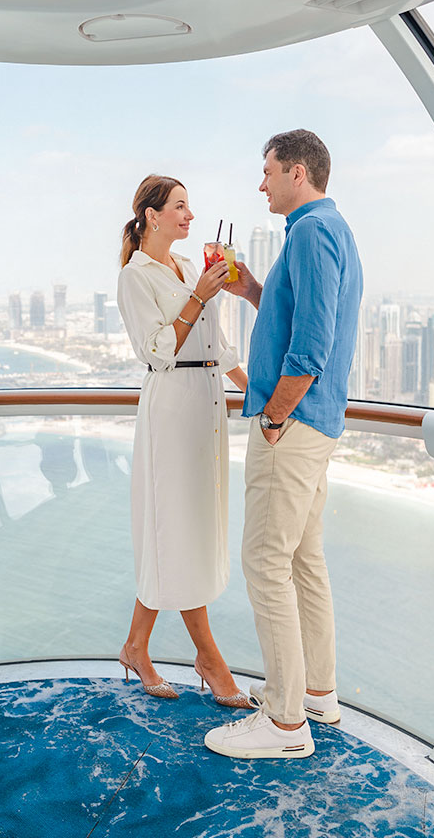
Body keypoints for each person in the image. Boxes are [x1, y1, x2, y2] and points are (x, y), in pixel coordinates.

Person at [204, 129, 362, 759]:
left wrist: (273, 416)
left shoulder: (311, 231)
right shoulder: (325, 230)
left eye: (267, 171)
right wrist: (248, 288)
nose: (260, 184)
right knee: (302, 561)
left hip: (292, 425)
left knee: (265, 562)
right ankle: (316, 695)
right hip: (314, 424)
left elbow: (313, 342)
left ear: (298, 172)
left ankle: (285, 723)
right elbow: (295, 314)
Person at [115, 174, 252, 708]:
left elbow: (219, 345)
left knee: (185, 526)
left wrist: (256, 394)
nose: (189, 216)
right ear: (152, 216)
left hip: (206, 403)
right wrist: (197, 297)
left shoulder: (190, 266)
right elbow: (156, 351)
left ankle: (136, 646)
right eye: (179, 206)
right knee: (177, 527)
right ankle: (210, 660)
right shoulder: (136, 277)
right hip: (172, 406)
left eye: (190, 207)